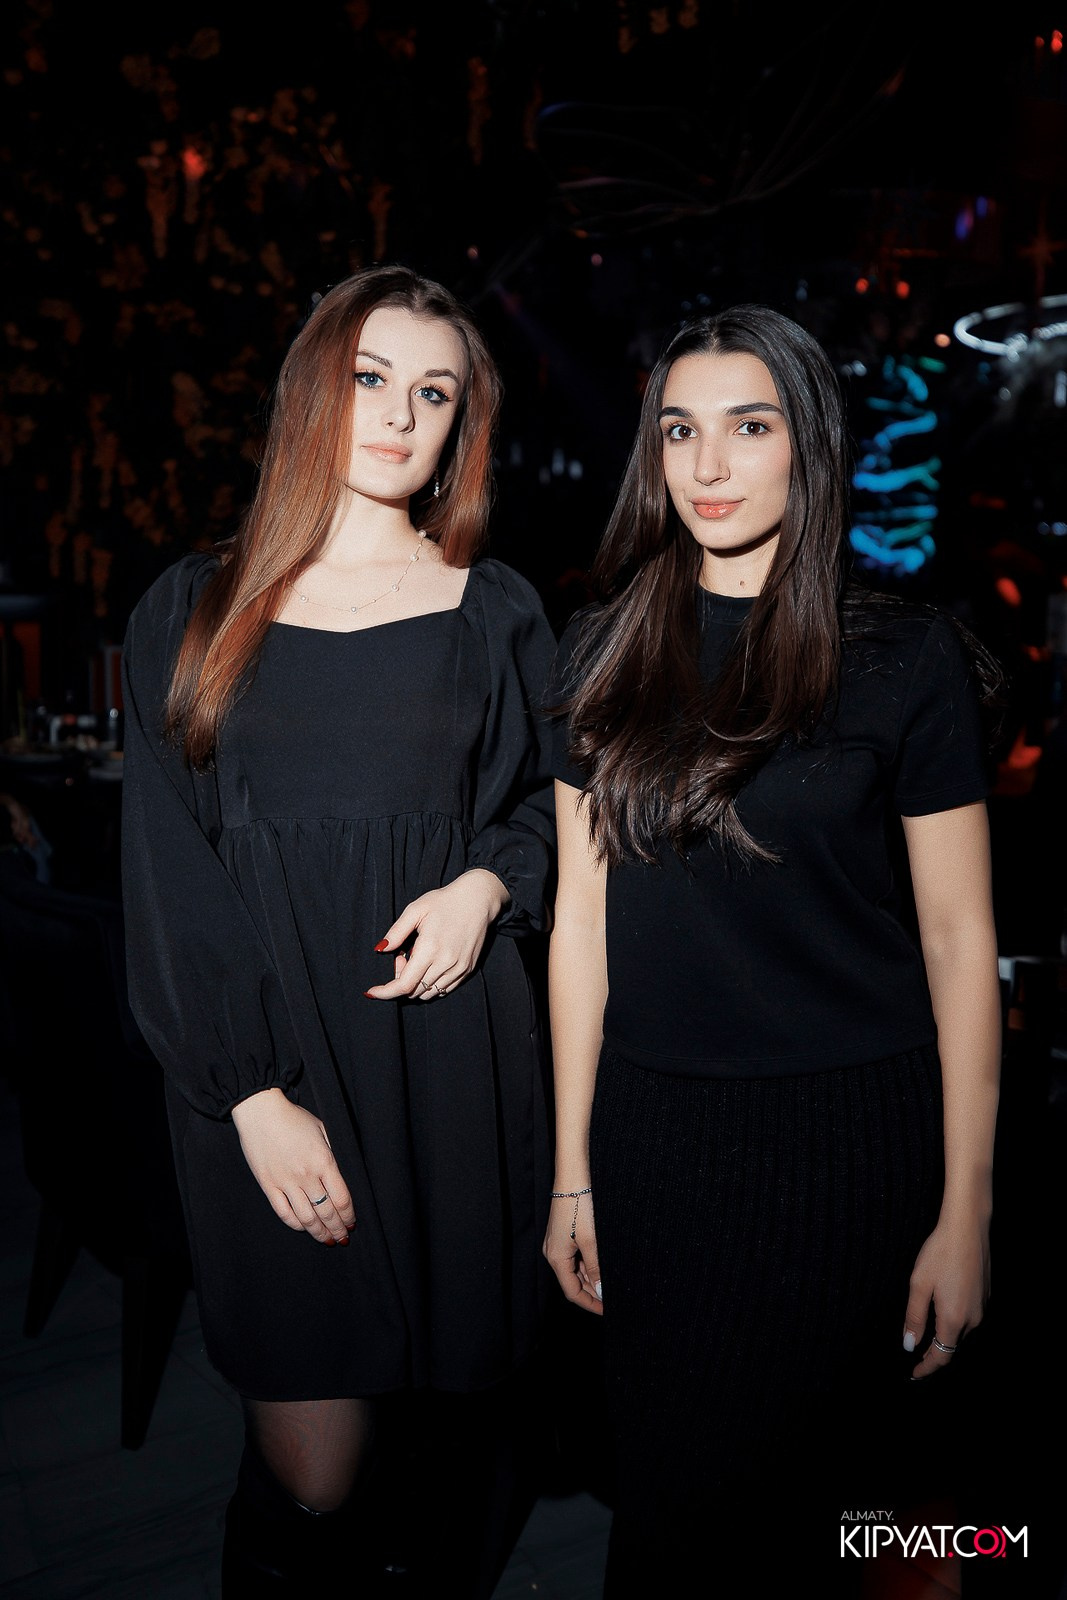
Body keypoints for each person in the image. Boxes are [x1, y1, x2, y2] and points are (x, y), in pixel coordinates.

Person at [542, 304, 1004, 1595]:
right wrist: (571, 1170)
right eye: (679, 429)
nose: (708, 465)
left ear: (809, 443)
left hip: (853, 1149)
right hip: (658, 1150)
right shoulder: (602, 652)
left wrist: (968, 1208)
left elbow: (962, 941)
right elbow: (580, 929)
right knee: (667, 1527)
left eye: (749, 427)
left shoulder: (902, 658)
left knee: (834, 1532)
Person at [120, 264, 558, 1597]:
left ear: (464, 425)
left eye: (435, 392)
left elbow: (552, 807)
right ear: (313, 385)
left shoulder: (497, 609)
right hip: (268, 1080)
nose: (399, 415)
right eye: (370, 378)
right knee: (312, 1477)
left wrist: (489, 888)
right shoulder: (194, 605)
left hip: (453, 1066)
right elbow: (165, 866)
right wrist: (250, 1093)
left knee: (444, 1455)